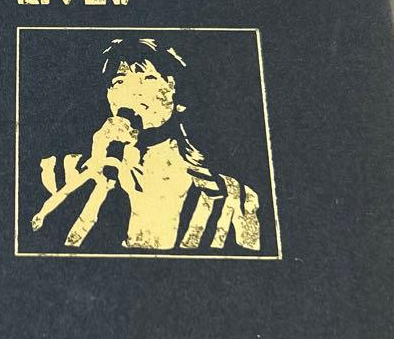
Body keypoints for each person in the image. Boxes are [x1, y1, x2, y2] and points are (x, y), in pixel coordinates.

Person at [30, 37, 260, 251]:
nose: (131, 92)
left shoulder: (232, 196)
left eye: (148, 78)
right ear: (109, 97)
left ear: (176, 94)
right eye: (119, 81)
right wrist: (97, 165)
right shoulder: (58, 172)